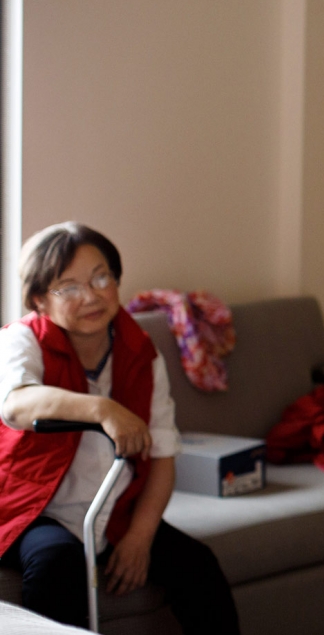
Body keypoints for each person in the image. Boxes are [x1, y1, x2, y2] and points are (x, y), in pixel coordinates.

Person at [0, 222, 239, 633]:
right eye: (68, 287)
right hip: (34, 510)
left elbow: (162, 454)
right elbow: (15, 404)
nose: (90, 296)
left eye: (100, 278)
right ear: (40, 300)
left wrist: (140, 537)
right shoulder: (23, 340)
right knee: (58, 565)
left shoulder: (141, 351)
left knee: (199, 566)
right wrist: (102, 408)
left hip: (115, 511)